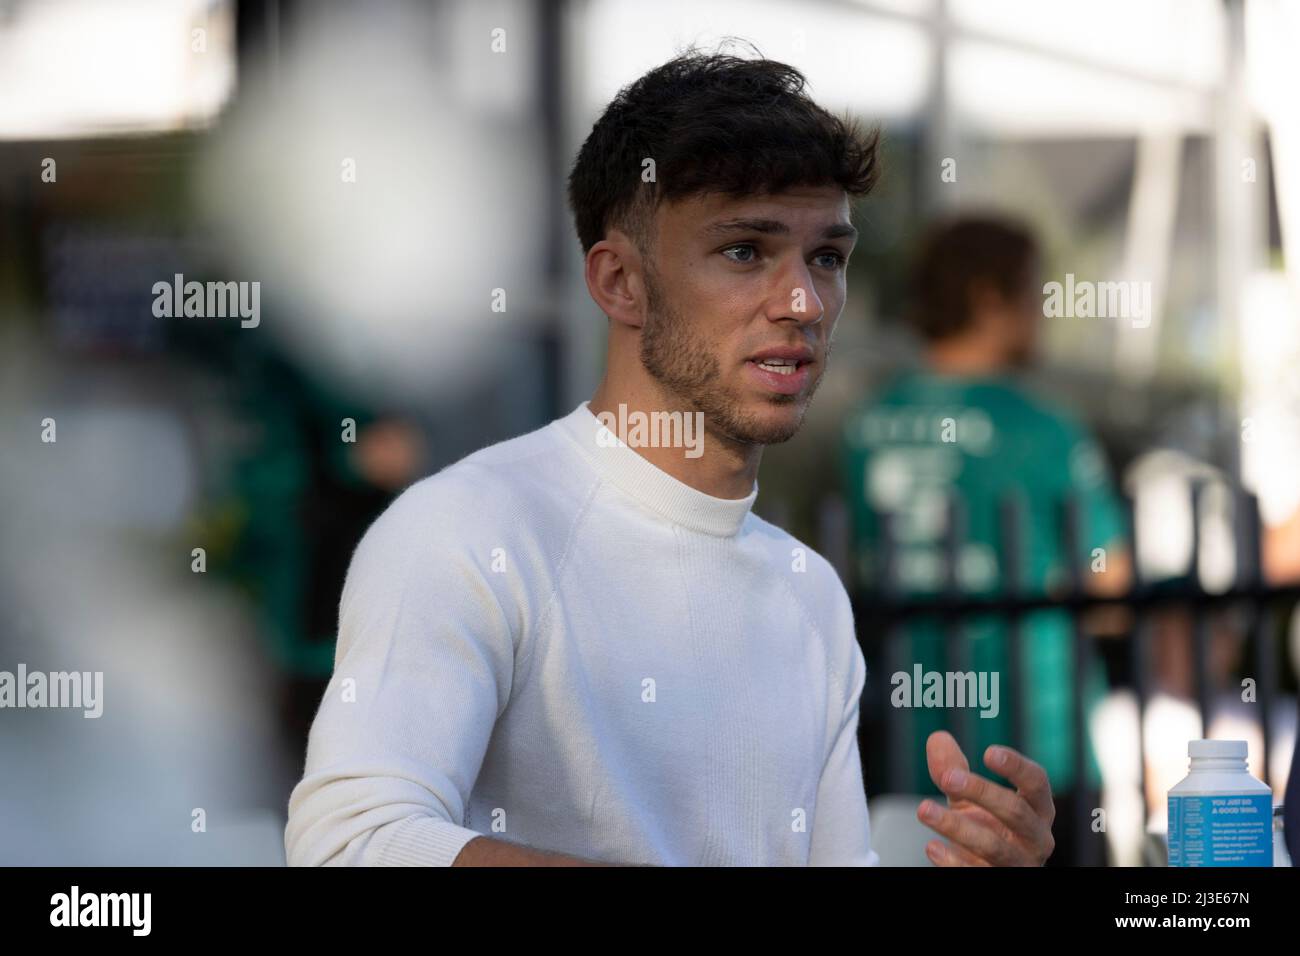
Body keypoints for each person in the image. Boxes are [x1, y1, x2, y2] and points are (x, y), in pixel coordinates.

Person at [285, 50, 1056, 867]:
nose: (802, 302)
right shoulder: (467, 530)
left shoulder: (809, 595)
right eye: (744, 251)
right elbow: (353, 842)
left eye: (825, 257)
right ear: (620, 282)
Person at [841, 215, 1131, 864]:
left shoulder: (869, 425)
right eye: (1033, 293)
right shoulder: (1041, 427)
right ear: (988, 299)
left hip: (908, 748)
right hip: (1035, 756)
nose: (1042, 314)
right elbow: (1111, 590)